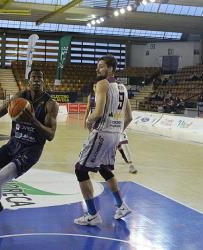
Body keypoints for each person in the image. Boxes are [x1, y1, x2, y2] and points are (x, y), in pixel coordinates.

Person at [0, 69, 59, 234]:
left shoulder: (50, 104)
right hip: (13, 144)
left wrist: (33, 120)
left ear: (44, 82)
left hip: (31, 150)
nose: (36, 80)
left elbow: (51, 135)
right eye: (33, 77)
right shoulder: (20, 96)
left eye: (39, 78)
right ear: (28, 81)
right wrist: (10, 104)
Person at [74, 55, 133, 226]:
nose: (97, 69)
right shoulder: (123, 88)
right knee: (104, 168)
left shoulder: (102, 84)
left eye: (101, 66)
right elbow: (129, 117)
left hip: (102, 132)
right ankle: (121, 205)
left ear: (111, 69)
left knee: (80, 170)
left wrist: (88, 120)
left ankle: (92, 215)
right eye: (98, 66)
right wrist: (116, 132)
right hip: (115, 134)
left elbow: (98, 112)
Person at [84, 83, 137, 174]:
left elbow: (100, 112)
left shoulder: (105, 95)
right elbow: (129, 117)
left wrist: (88, 122)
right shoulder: (96, 96)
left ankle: (94, 164)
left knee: (106, 145)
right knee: (121, 145)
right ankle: (127, 164)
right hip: (117, 124)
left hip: (106, 125)